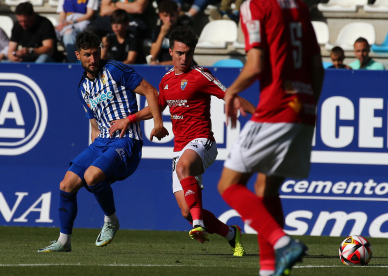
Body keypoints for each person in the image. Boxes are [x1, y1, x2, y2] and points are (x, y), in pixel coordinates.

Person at [109, 26, 256, 257]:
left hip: (202, 142)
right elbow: (157, 107)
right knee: (186, 211)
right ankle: (230, 233)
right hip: (180, 148)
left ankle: (198, 224)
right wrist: (129, 119)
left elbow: (229, 95)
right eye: (180, 53)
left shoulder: (201, 75)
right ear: (171, 52)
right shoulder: (167, 80)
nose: (184, 58)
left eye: (188, 53)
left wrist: (260, 116)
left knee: (184, 169)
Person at [216, 0, 324, 275]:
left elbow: (255, 65)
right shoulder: (299, 6)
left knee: (229, 185)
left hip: (276, 108)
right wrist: (307, 107)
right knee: (266, 189)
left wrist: (231, 92)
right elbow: (317, 68)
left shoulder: (255, 6)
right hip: (305, 109)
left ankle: (283, 243)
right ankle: (269, 270)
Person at [37, 31, 168, 252]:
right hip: (101, 143)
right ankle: (64, 241)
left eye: (96, 53)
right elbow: (95, 126)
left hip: (126, 141)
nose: (93, 59)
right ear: (77, 55)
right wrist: (95, 153)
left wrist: (157, 123)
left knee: (92, 176)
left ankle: (111, 221)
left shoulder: (114, 70)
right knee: (66, 185)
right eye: (87, 55)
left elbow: (150, 91)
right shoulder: (82, 88)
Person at [86, 0, 151, 39]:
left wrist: (115, 4)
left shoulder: (115, 3)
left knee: (134, 32)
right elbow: (104, 10)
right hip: (112, 18)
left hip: (132, 20)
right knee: (91, 30)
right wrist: (130, 7)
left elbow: (138, 8)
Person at [149, 0, 179, 65]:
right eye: (165, 16)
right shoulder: (158, 30)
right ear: (160, 16)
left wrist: (160, 64)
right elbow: (152, 56)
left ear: (177, 14)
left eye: (172, 15)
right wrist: (162, 34)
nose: (169, 19)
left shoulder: (183, 30)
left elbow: (183, 60)